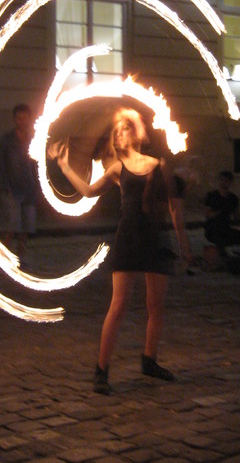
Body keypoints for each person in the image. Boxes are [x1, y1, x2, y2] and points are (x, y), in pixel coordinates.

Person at [49, 107, 191, 395]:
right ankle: (101, 371)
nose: (119, 133)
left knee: (156, 305)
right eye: (116, 131)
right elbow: (88, 192)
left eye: (124, 128)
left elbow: (174, 207)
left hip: (155, 238)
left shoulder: (159, 165)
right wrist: (65, 167)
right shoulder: (116, 169)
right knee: (119, 305)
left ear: (136, 134)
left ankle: (149, 360)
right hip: (129, 238)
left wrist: (183, 244)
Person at [0, 103, 38, 265]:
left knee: (25, 229)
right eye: (19, 118)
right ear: (14, 119)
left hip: (29, 191)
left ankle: (19, 260)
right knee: (12, 227)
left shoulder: (34, 140)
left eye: (25, 118)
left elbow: (38, 166)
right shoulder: (7, 140)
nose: (22, 121)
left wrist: (38, 189)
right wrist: (4, 187)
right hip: (12, 191)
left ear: (29, 119)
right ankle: (4, 262)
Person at [203, 170, 240, 256]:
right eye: (221, 180)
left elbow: (237, 217)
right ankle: (220, 255)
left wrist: (236, 212)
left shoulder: (233, 198)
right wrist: (220, 211)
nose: (223, 183)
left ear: (230, 183)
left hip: (225, 227)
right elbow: (207, 215)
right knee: (219, 235)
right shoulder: (212, 195)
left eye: (226, 181)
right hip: (212, 227)